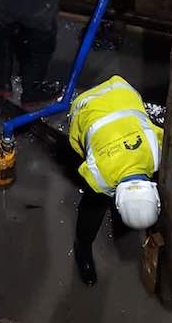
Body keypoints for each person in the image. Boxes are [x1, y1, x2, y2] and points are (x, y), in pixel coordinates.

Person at [68, 74, 163, 285]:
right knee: (94, 204)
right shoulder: (99, 176)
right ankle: (82, 247)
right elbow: (86, 168)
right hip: (87, 103)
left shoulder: (156, 151)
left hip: (121, 90)